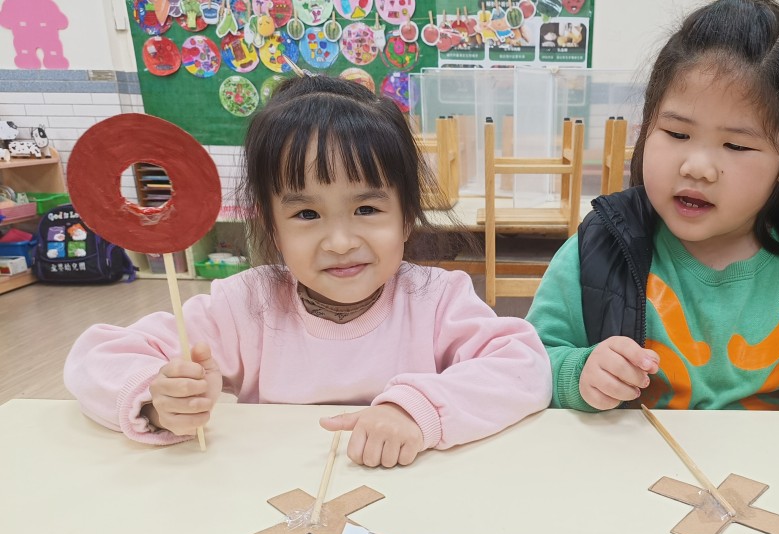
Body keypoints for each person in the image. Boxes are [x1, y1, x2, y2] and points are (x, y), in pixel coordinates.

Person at [64, 76, 551, 466]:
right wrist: (157, 398)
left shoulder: (436, 298)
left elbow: (525, 367)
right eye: (306, 214)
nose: (340, 242)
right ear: (272, 228)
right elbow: (95, 358)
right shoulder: (246, 305)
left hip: (408, 503)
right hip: (271, 498)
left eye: (366, 209)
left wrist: (417, 410)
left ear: (406, 217)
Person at [525, 0, 779, 420]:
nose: (697, 167)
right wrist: (577, 374)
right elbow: (526, 366)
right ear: (646, 127)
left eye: (736, 145)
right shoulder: (598, 249)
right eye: (676, 133)